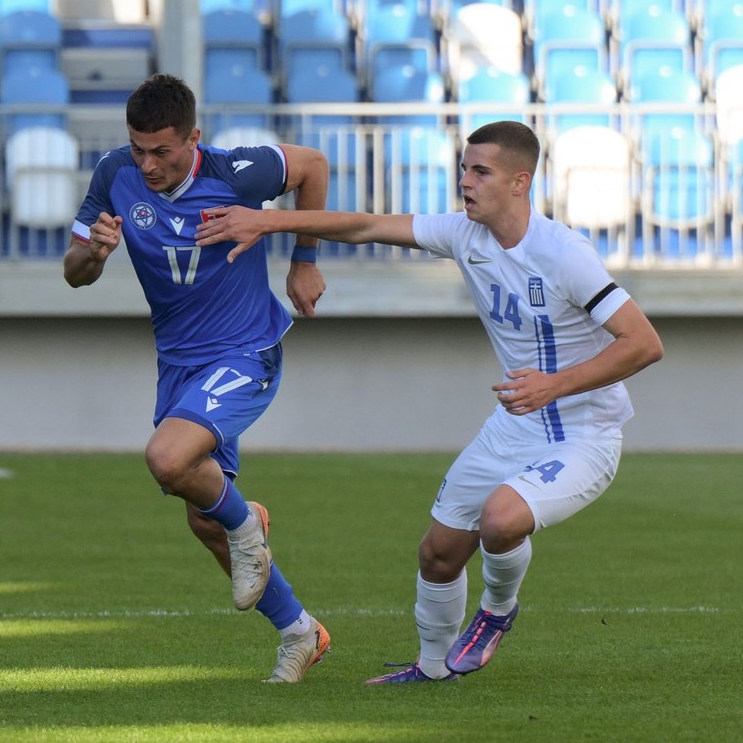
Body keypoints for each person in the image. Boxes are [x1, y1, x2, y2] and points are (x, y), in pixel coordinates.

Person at [195, 120, 665, 683]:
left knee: (500, 519)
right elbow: (366, 225)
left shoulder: (565, 254)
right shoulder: (463, 233)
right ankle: (434, 668)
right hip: (515, 425)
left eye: (480, 172)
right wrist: (271, 222)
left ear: (521, 182)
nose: (465, 181)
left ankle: (495, 614)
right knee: (438, 554)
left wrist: (553, 385)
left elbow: (644, 343)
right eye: (464, 168)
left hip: (586, 433)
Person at [62, 73, 333, 683]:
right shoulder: (113, 175)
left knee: (167, 458)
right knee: (204, 518)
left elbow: (314, 166)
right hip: (180, 365)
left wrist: (305, 260)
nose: (148, 164)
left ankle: (248, 521)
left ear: (194, 140)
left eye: (162, 151)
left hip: (246, 351)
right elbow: (73, 271)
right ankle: (300, 631)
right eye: (139, 149)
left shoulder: (237, 171)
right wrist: (94, 253)